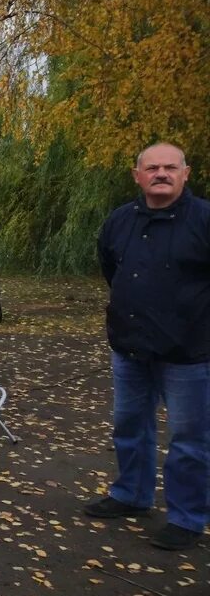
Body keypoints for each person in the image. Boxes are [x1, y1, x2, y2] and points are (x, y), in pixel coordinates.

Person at [85, 142, 209, 551]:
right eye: (152, 167)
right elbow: (110, 267)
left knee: (190, 439)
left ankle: (187, 517)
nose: (161, 173)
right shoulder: (120, 221)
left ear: (185, 174)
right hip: (130, 346)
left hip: (189, 352)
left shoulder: (203, 220)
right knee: (129, 425)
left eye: (170, 167)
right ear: (137, 175)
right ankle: (131, 495)